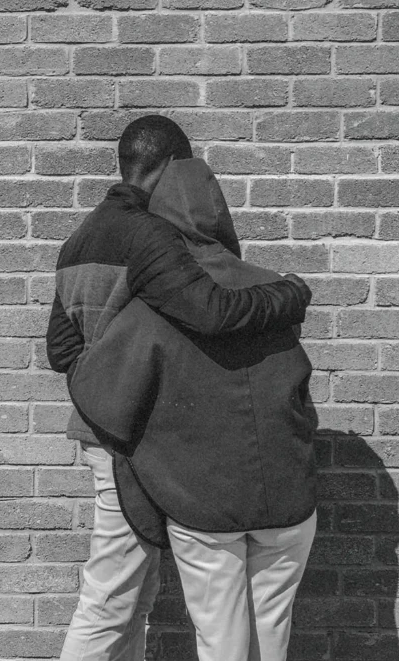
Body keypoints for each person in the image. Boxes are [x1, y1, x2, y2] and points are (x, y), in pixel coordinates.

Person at [46, 115, 312, 661]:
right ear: (172, 167)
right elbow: (211, 312)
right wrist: (290, 295)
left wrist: (97, 387)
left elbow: (61, 351)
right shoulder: (152, 235)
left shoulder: (80, 238)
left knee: (133, 594)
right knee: (111, 595)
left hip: (105, 427)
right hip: (134, 438)